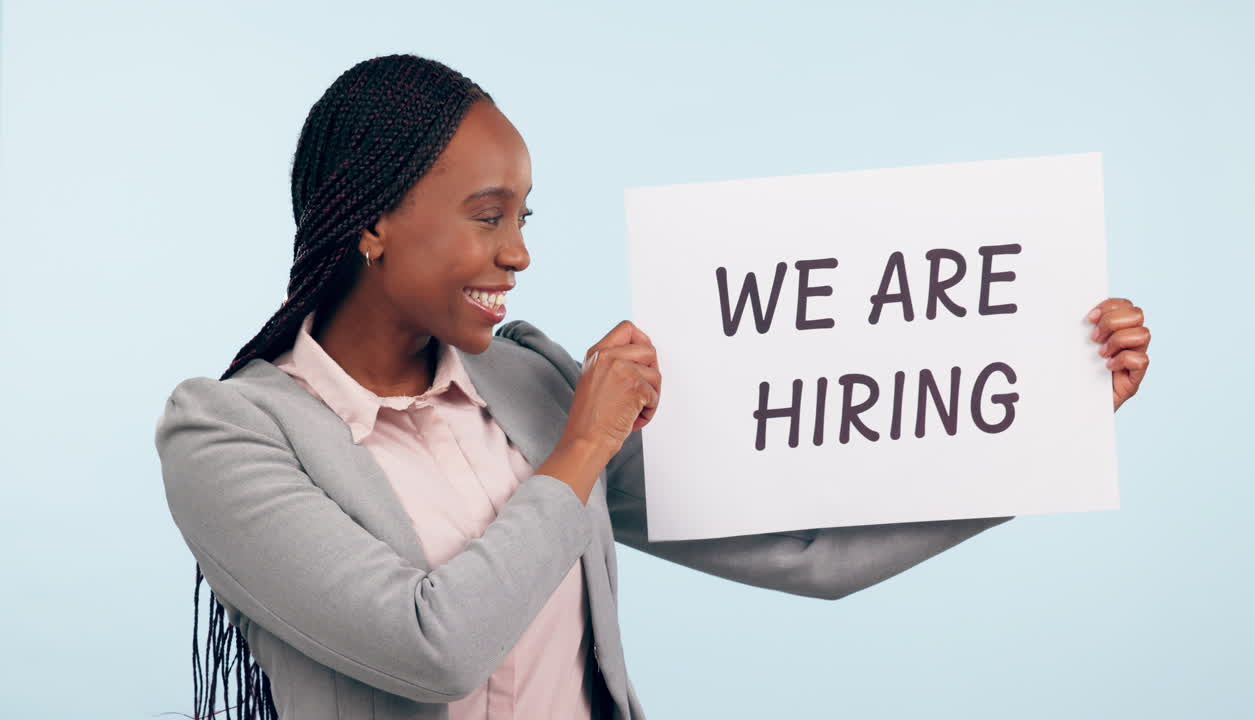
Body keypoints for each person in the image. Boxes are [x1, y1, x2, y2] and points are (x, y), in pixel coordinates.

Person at [154, 54, 1152, 720]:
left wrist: (1040, 424)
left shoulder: (528, 379)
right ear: (372, 224)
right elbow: (430, 646)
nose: (517, 254)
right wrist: (582, 448)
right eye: (487, 215)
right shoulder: (230, 434)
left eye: (525, 218)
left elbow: (806, 555)